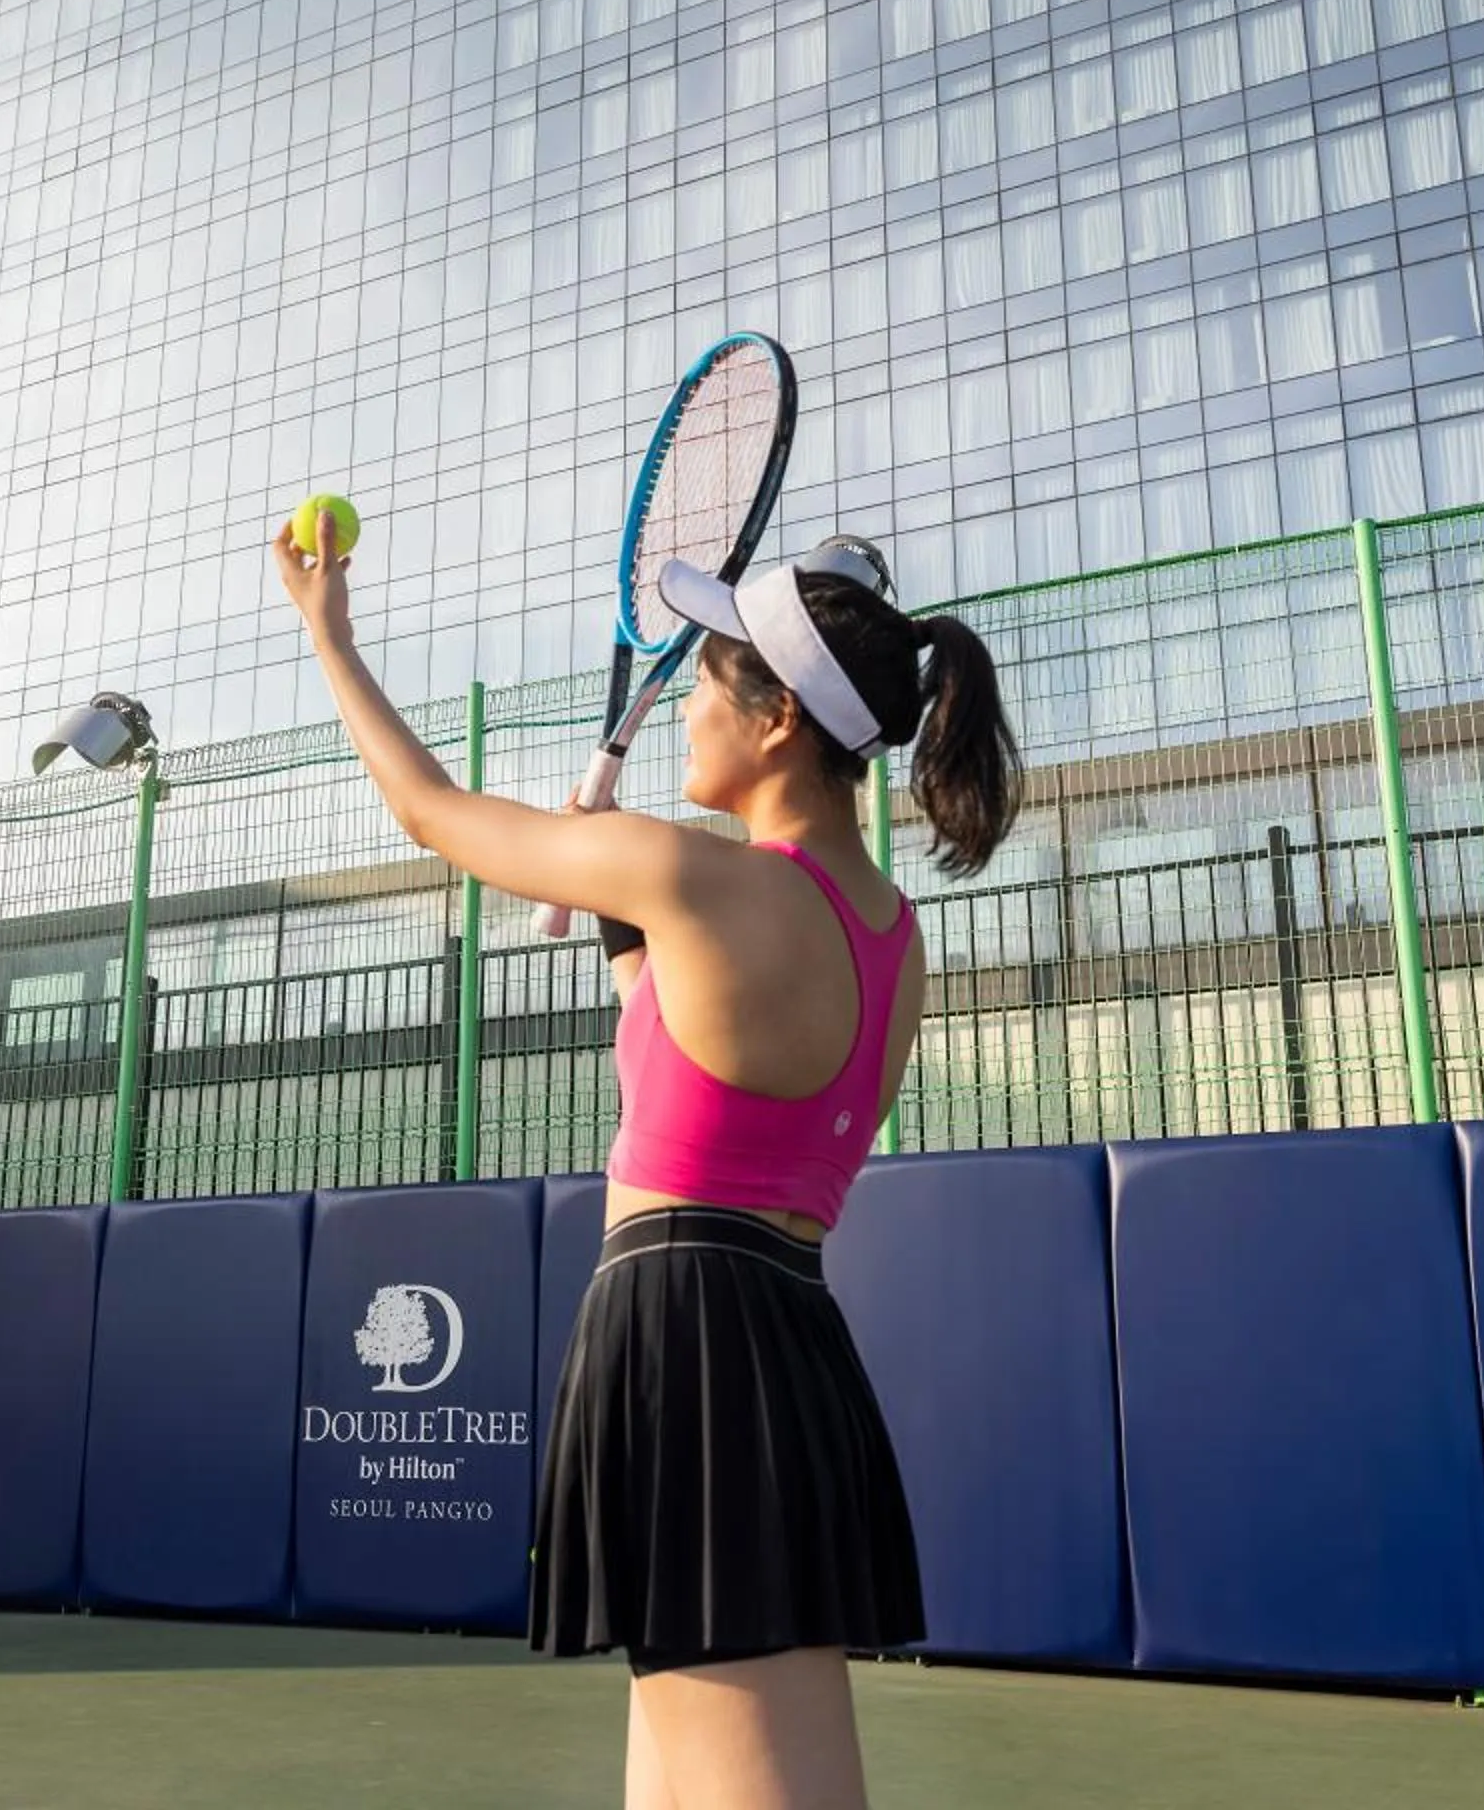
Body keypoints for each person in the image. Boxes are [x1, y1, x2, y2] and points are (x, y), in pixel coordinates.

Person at [273, 514, 1021, 1809]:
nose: (679, 706)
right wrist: (624, 907)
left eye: (710, 676)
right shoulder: (888, 939)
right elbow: (703, 1042)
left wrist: (329, 640)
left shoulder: (693, 876)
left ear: (777, 716)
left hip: (687, 1339)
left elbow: (431, 810)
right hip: (778, 1332)